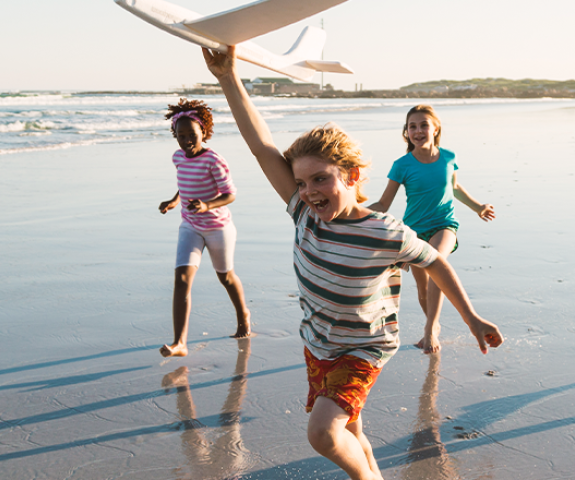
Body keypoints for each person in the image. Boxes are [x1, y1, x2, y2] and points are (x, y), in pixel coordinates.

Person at [202, 46, 503, 480]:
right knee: (352, 429)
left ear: (352, 176)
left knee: (323, 435)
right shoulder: (302, 212)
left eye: (321, 178)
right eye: (302, 182)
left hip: (364, 348)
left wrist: (471, 317)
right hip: (318, 343)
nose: (308, 191)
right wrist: (229, 78)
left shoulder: (385, 231)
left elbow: (435, 261)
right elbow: (260, 146)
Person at [370, 105, 496, 354]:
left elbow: (455, 188)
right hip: (414, 231)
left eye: (423, 125)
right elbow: (384, 203)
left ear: (435, 128)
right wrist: (354, 213)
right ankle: (434, 324)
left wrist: (478, 206)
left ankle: (428, 331)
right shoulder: (402, 165)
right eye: (412, 126)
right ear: (406, 132)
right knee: (423, 287)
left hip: (444, 225)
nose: (418, 130)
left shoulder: (449, 157)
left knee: (435, 260)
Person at [158, 98, 250, 357]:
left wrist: (207, 205)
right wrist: (174, 201)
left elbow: (230, 194)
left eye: (192, 135)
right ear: (174, 135)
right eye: (181, 135)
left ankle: (243, 316)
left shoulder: (214, 160)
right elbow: (185, 182)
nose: (186, 140)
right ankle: (180, 342)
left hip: (218, 227)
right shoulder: (178, 157)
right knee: (182, 279)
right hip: (190, 226)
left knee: (226, 277)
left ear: (204, 133)